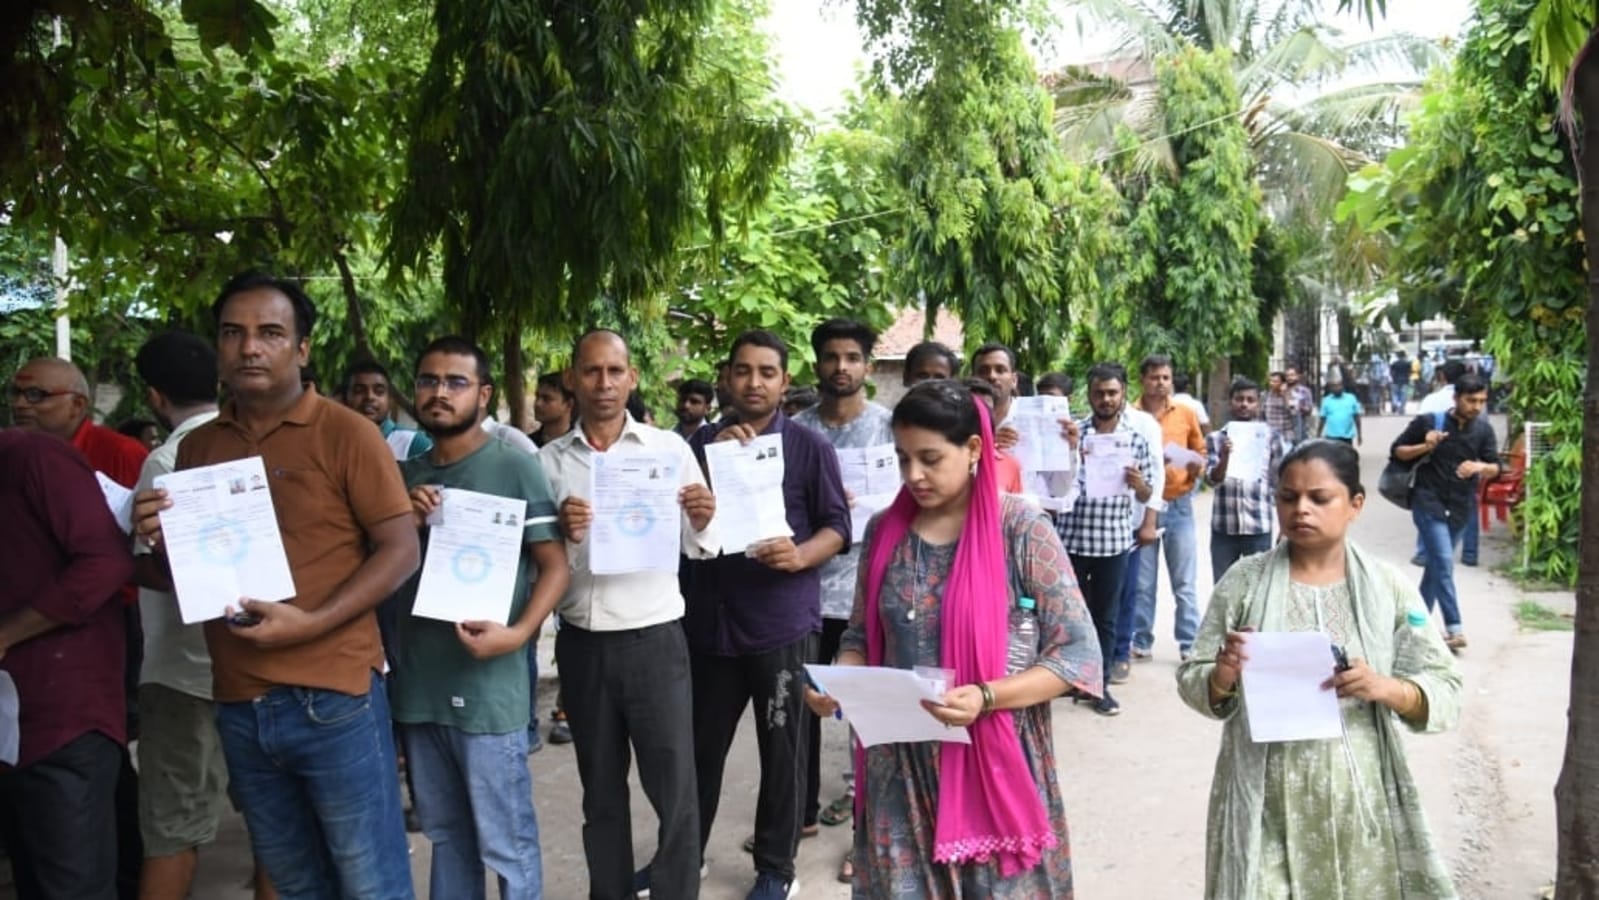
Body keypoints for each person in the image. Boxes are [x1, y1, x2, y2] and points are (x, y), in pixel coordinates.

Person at [132, 271, 419, 899]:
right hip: (237, 699)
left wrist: (312, 623)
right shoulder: (199, 448)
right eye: (233, 334)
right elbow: (196, 579)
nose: (250, 348)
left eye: (269, 333)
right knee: (290, 882)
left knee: (371, 882)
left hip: (334, 696)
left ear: (303, 349)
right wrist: (162, 539)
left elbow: (401, 550)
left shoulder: (348, 432)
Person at [808, 378, 1102, 896]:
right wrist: (843, 679)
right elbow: (859, 632)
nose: (913, 475)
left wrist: (988, 696)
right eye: (902, 459)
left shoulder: (1021, 529)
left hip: (991, 761)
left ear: (972, 449)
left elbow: (1077, 654)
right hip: (899, 763)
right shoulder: (883, 531)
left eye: (929, 458)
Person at [1177, 440, 1462, 899]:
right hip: (1262, 799)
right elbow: (1194, 676)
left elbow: (1445, 685)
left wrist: (1384, 688)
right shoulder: (1245, 581)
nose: (1301, 510)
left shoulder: (1387, 587)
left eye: (1319, 498)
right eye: (1288, 498)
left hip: (1358, 799)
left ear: (1355, 505)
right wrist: (1223, 675)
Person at [539, 329, 719, 900]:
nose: (604, 383)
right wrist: (566, 537)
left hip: (655, 640)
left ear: (632, 377)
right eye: (590, 372)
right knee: (601, 792)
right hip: (585, 642)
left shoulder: (668, 452)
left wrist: (704, 515)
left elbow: (700, 545)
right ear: (572, 379)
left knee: (674, 789)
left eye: (615, 371)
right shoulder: (548, 463)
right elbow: (540, 565)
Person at [392, 336, 570, 900]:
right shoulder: (402, 475)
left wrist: (518, 635)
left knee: (505, 840)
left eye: (455, 382)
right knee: (447, 835)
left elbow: (554, 566)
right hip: (419, 685)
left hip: (488, 685)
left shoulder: (513, 466)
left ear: (485, 394)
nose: (439, 392)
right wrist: (406, 522)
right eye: (428, 380)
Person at [681, 329, 851, 900]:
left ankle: (776, 868)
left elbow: (837, 527)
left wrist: (800, 554)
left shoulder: (808, 448)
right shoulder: (693, 447)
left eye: (767, 372)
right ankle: (683, 860)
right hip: (709, 625)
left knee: (783, 750)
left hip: (780, 624)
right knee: (699, 751)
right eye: (743, 371)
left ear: (784, 381)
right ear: (727, 377)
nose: (754, 383)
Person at [0, 429, 135, 900]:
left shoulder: (31, 457)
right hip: (11, 722)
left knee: (71, 884)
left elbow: (106, 562)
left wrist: (9, 633)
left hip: (63, 716)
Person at [790, 318, 894, 885]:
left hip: (868, 595)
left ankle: (866, 836)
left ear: (868, 366)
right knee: (801, 714)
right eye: (831, 357)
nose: (841, 368)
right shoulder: (795, 432)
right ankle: (799, 815)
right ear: (816, 363)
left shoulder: (888, 429)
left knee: (869, 725)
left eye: (852, 357)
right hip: (805, 594)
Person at [129, 332, 228, 900]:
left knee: (172, 830)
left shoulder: (166, 460)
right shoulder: (249, 452)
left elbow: (154, 569)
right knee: (274, 827)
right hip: (252, 665)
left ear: (154, 397)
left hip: (179, 672)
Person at [1055, 363, 1157, 715]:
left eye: (1112, 392)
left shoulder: (1136, 440)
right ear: (1089, 394)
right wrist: (1070, 455)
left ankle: (1099, 687)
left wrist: (1138, 484)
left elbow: (1147, 495)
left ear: (1124, 393)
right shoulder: (1073, 434)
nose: (1106, 398)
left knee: (1106, 618)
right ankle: (1068, 679)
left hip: (1113, 542)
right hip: (1071, 537)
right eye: (1099, 392)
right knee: (1069, 615)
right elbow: (1055, 484)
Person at [1391, 373, 1499, 651]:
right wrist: (1425, 446)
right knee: (1443, 561)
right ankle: (1455, 628)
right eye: (1470, 400)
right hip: (1428, 502)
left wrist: (1480, 468)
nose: (1476, 406)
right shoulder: (1429, 422)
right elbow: (1398, 451)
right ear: (1456, 398)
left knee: (1436, 568)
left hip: (1461, 506)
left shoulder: (1483, 430)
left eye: (1481, 401)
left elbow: (1495, 466)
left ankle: (1414, 626)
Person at [1131, 354, 1206, 664]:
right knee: (1143, 582)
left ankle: (1190, 642)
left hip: (1178, 504)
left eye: (1165, 377)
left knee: (1185, 582)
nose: (1160, 383)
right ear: (1143, 380)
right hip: (1142, 504)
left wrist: (1187, 466)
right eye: (1154, 377)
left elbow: (1201, 454)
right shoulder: (1131, 415)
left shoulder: (1185, 414)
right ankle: (1141, 639)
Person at [1205, 377, 1285, 584]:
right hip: (1224, 528)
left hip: (1257, 526)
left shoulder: (1271, 438)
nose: (1244, 404)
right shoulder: (1215, 438)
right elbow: (1212, 480)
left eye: (1250, 400)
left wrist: (1284, 527)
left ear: (1258, 403)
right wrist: (1225, 457)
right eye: (1239, 399)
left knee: (1257, 590)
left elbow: (1281, 485)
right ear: (1230, 402)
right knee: (1223, 589)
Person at [344, 360, 433, 461]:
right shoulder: (335, 443)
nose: (369, 397)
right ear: (346, 398)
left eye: (379, 391)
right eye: (359, 391)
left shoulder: (413, 443)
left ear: (390, 400)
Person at [969, 343, 1019, 425]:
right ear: (972, 378)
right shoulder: (959, 418)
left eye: (1000, 370)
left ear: (1014, 380)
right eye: (983, 371)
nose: (992, 376)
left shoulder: (1039, 415)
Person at [529, 371, 576, 448]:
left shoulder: (581, 445)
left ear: (568, 404)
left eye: (546, 399)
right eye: (537, 397)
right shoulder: (528, 445)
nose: (538, 403)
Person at [1317, 380, 1363, 446]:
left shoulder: (1351, 398)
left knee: (1346, 455)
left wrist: (1359, 435)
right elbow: (1322, 419)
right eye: (1334, 386)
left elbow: (1357, 418)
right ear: (1330, 389)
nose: (1337, 388)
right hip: (1331, 437)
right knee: (1332, 456)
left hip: (1347, 437)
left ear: (1342, 387)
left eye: (1339, 385)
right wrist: (1318, 435)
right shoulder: (1326, 400)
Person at [1261, 371, 1296, 451]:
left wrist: (1285, 395)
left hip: (1285, 435)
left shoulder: (1290, 395)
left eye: (1275, 381)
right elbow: (1261, 415)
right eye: (1271, 381)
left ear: (1282, 383)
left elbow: (1293, 413)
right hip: (1269, 435)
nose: (1272, 383)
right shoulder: (1265, 395)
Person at [1284, 366, 1313, 444]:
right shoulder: (1282, 391)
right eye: (1287, 376)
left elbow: (1309, 410)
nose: (1290, 378)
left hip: (1300, 429)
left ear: (1297, 376)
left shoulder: (1304, 391)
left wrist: (1299, 407)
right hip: (1285, 429)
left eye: (1292, 375)